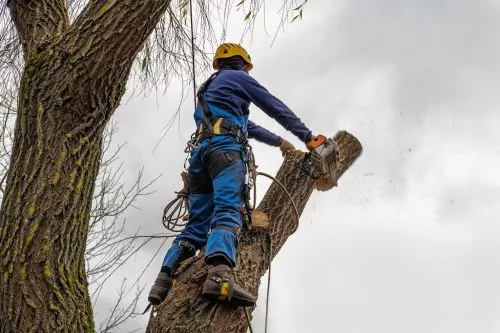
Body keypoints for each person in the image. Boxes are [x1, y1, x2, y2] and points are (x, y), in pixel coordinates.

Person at [148, 43, 317, 307]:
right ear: (243, 64)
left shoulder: (211, 89)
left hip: (200, 157)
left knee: (197, 224)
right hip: (225, 152)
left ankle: (163, 280)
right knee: (228, 210)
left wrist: (279, 142)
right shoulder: (238, 78)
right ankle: (218, 277)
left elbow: (246, 125)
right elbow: (273, 106)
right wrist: (308, 137)